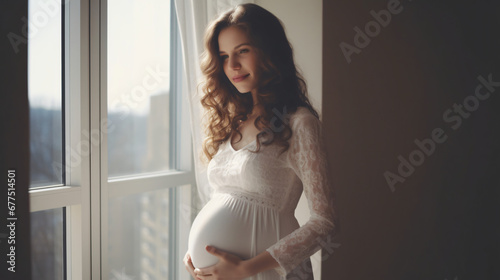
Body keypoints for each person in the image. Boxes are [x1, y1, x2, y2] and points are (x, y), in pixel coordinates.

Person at [184, 3, 338, 280]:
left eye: (242, 51)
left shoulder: (299, 123)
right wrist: (196, 256)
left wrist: (245, 269)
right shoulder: (232, 122)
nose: (232, 66)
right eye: (223, 55)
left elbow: (324, 222)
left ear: (269, 52)